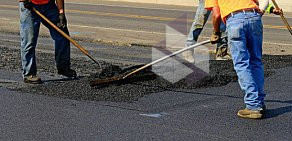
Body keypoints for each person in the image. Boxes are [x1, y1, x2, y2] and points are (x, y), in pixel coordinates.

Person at [205, 0, 282, 119]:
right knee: (256, 61)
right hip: (254, 17)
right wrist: (269, 10)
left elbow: (216, 15)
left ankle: (253, 105)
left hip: (235, 20)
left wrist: (216, 33)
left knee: (241, 63)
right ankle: (259, 102)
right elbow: (261, 1)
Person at [19, 0, 76, 84]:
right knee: (29, 40)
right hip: (29, 5)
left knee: (62, 34)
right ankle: (29, 74)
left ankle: (63, 68)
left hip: (48, 5)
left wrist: (61, 13)